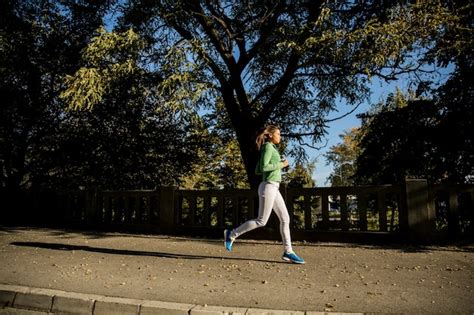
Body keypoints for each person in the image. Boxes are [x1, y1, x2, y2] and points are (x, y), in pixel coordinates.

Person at [224, 124, 305, 264]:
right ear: (271, 135)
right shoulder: (268, 147)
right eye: (278, 134)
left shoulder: (271, 148)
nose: (280, 137)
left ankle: (288, 251)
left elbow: (258, 170)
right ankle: (231, 234)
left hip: (274, 187)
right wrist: (281, 165)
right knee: (261, 220)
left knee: (285, 219)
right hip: (268, 186)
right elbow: (264, 167)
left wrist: (277, 164)